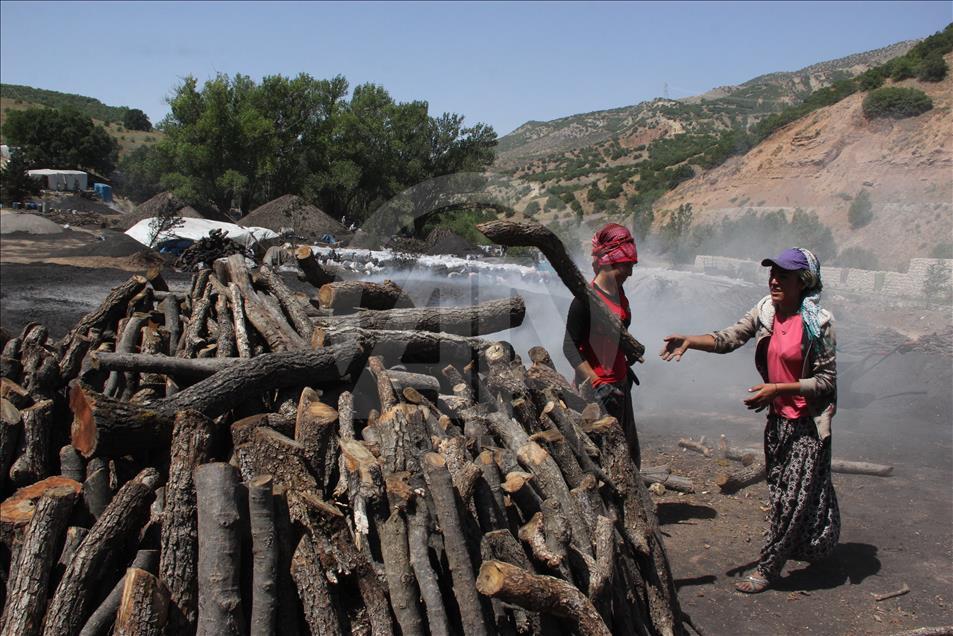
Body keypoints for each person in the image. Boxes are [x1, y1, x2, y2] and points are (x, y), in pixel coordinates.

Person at [660, 247, 840, 593]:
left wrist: (778, 388)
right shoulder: (766, 310)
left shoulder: (820, 324)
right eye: (772, 274)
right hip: (778, 422)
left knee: (792, 498)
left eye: (783, 276)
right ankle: (817, 542)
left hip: (807, 425)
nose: (774, 281)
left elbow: (827, 382)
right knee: (787, 493)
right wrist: (690, 341)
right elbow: (730, 337)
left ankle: (768, 567)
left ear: (803, 282)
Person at [563, 223, 641, 467]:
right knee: (606, 459)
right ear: (609, 262)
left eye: (631, 265)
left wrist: (625, 369)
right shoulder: (584, 300)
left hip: (620, 385)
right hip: (600, 390)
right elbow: (570, 346)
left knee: (629, 456)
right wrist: (596, 384)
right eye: (626, 265)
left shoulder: (621, 294)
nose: (630, 272)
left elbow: (617, 338)